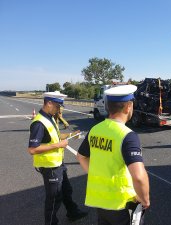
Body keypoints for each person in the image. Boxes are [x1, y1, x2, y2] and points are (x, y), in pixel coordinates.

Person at [77, 84, 150, 225]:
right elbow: (139, 176)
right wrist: (145, 199)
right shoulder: (127, 135)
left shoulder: (95, 130)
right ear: (128, 106)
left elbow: (81, 157)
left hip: (100, 202)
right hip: (122, 204)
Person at [28, 91, 88, 225]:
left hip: (58, 163)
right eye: (57, 106)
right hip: (50, 167)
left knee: (66, 190)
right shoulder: (39, 123)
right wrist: (59, 145)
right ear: (49, 103)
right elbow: (32, 149)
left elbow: (55, 136)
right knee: (54, 199)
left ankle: (73, 213)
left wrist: (72, 135)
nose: (59, 109)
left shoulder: (49, 117)